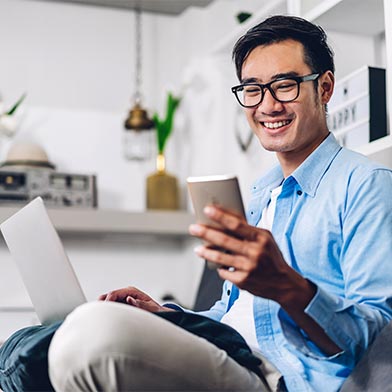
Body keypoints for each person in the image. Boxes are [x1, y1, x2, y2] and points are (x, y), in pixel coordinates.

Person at [1, 15, 392, 392]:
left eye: (285, 85)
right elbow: (229, 315)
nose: (268, 106)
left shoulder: (367, 186)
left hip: (278, 376)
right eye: (252, 89)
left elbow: (375, 339)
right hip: (229, 352)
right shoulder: (260, 195)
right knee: (28, 340)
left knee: (94, 334)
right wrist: (165, 315)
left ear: (324, 88)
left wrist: (287, 286)